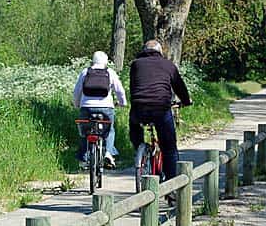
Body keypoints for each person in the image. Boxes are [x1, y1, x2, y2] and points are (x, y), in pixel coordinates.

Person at [128, 39, 192, 187]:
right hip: (161, 109)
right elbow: (180, 87)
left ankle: (139, 149)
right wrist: (186, 101)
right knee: (169, 148)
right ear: (160, 52)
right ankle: (171, 187)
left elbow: (134, 87)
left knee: (134, 125)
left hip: (140, 108)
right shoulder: (168, 65)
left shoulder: (136, 64)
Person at [73, 51, 127, 169]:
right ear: (106, 62)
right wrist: (123, 103)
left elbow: (77, 91)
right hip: (106, 108)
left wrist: (77, 105)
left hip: (86, 107)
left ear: (93, 61)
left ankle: (84, 158)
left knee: (84, 131)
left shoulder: (85, 72)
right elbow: (119, 90)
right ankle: (108, 152)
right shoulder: (109, 72)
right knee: (109, 130)